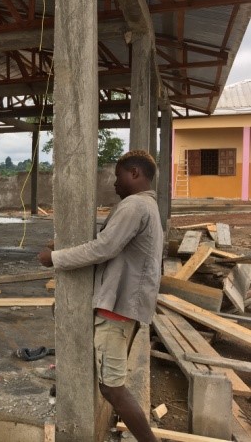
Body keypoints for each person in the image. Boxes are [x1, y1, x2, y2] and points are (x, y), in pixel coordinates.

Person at [37, 150, 162, 442]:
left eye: (117, 176)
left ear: (134, 173)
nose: (114, 183)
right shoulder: (146, 206)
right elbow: (109, 240)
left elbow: (104, 248)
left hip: (117, 309)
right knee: (110, 384)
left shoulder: (134, 206)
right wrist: (67, 242)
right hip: (123, 305)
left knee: (112, 389)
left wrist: (55, 257)